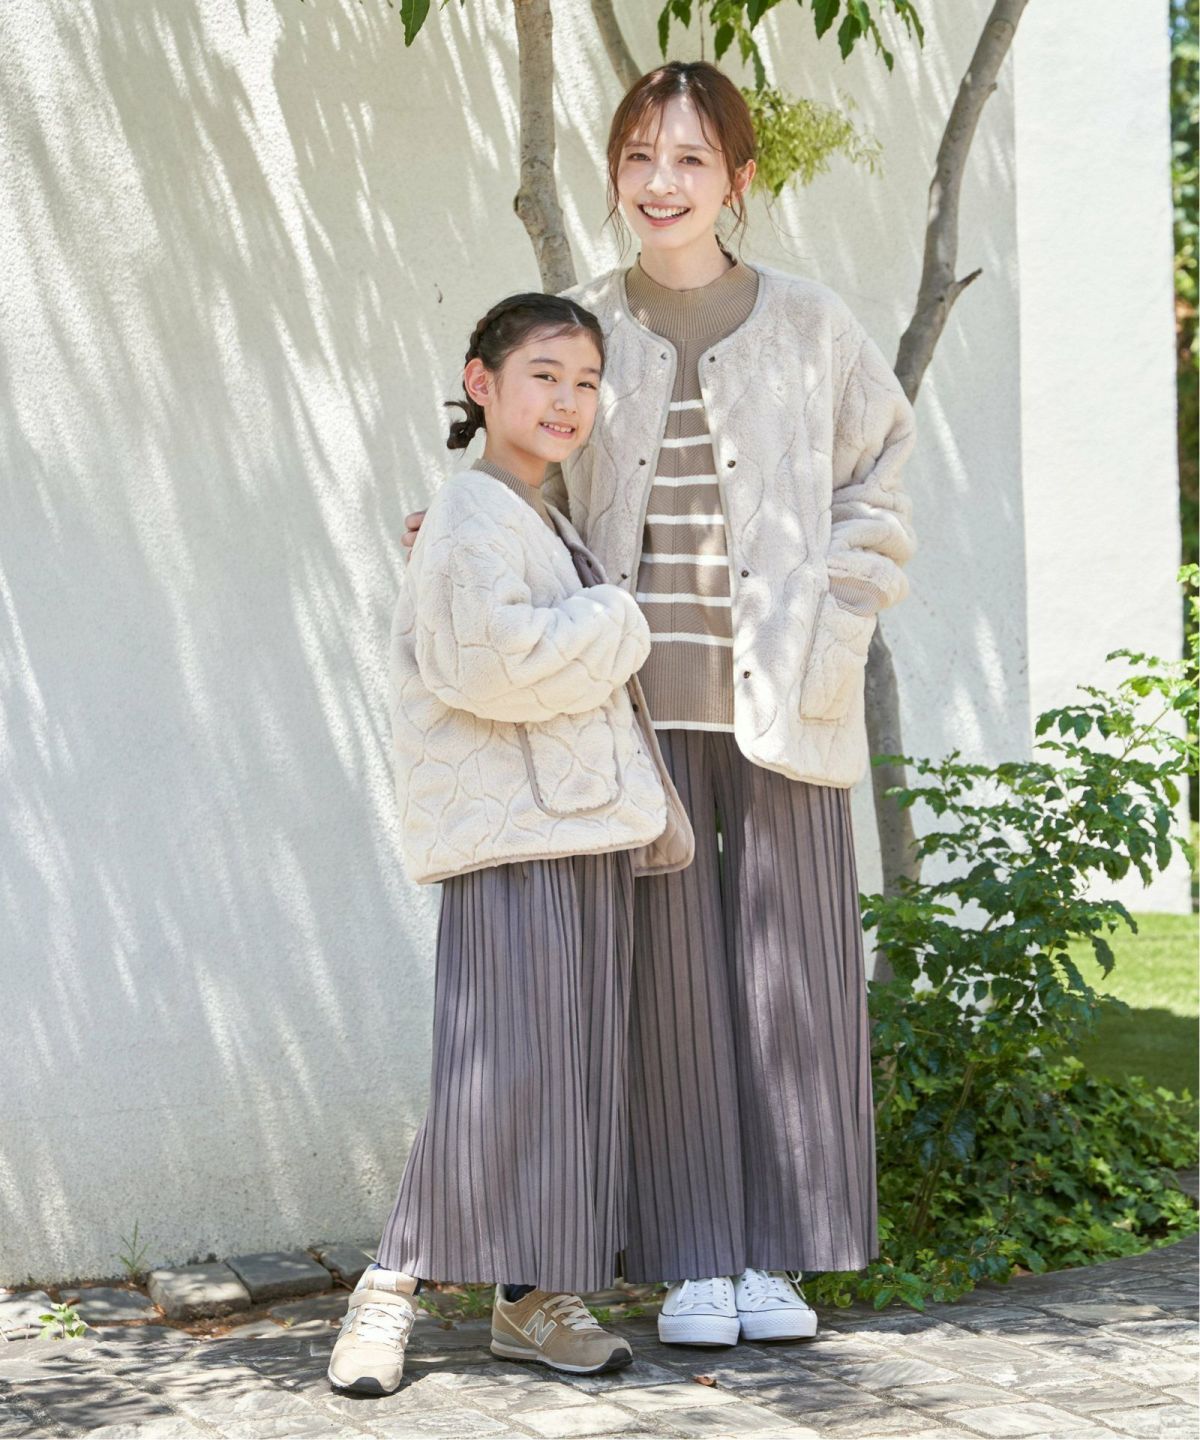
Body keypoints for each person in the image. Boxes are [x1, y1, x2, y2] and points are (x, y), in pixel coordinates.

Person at [403, 60, 918, 1350]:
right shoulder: (584, 324)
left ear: (738, 177)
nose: (661, 183)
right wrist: (461, 528)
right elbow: (534, 468)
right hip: (631, 709)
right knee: (671, 990)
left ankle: (779, 1257)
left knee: (796, 973)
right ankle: (694, 1257)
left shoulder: (810, 323)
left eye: (690, 159)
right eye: (638, 156)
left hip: (785, 698)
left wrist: (841, 618)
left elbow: (880, 478)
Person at [328, 292, 693, 1396]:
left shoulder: (528, 514)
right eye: (544, 375)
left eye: (585, 382)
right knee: (495, 1072)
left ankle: (531, 1300)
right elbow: (487, 665)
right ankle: (389, 1286)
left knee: (567, 1076)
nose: (568, 400)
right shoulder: (470, 509)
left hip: (574, 828)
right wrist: (619, 617)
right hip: (515, 838)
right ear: (480, 383)